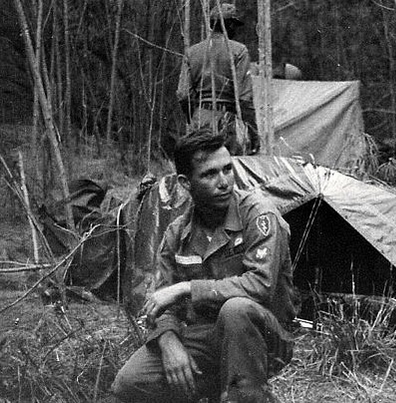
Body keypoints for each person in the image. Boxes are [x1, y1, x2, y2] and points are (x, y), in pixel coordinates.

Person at [111, 128, 298, 402]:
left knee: (236, 309)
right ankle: (223, 388)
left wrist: (187, 288)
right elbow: (162, 305)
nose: (224, 182)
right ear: (186, 183)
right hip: (207, 338)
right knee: (130, 383)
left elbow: (261, 286)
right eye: (210, 174)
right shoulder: (177, 232)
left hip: (264, 336)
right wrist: (169, 342)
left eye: (227, 170)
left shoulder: (259, 215)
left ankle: (246, 395)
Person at [177, 3, 259, 155]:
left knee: (200, 167)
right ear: (229, 25)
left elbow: (183, 95)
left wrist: (194, 117)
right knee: (229, 168)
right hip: (227, 121)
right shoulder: (239, 51)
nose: (235, 29)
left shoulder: (192, 52)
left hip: (200, 118)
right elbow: (244, 98)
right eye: (234, 25)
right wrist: (252, 131)